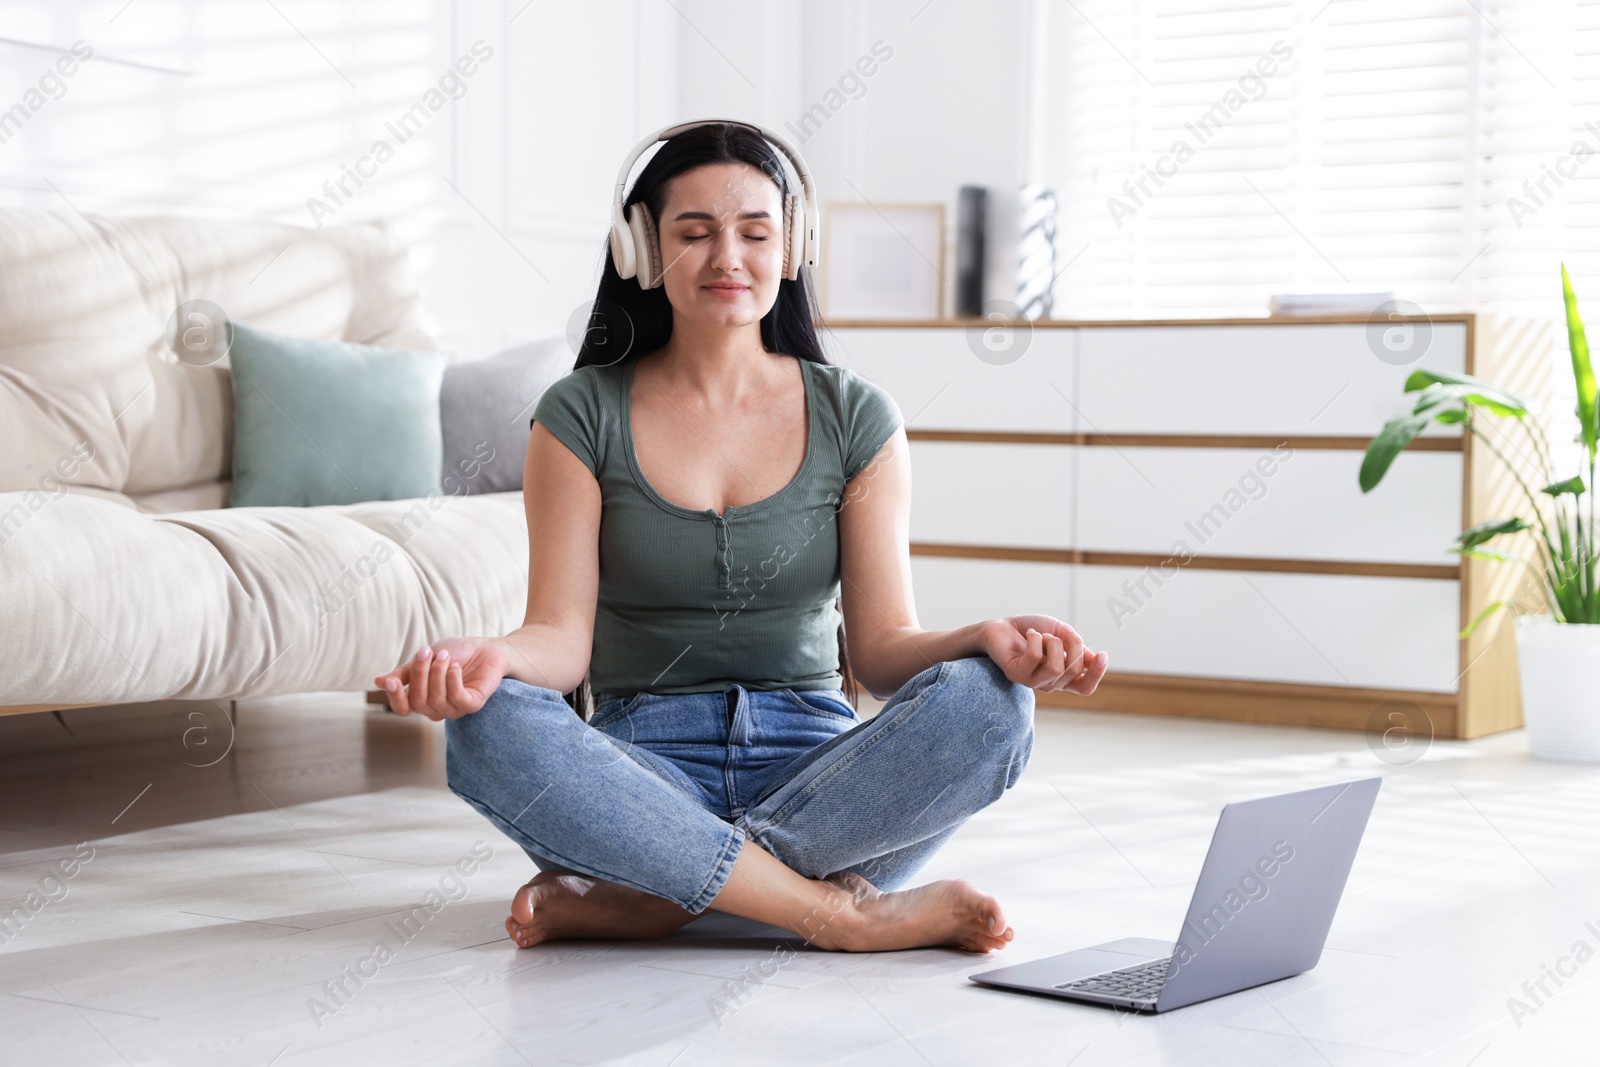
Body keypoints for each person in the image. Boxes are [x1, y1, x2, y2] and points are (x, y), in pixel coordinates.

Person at [373, 121, 1108, 954]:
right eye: (695, 233)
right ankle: (827, 909)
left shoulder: (856, 416)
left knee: (992, 704)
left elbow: (881, 650)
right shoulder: (579, 413)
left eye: (756, 232)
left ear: (793, 247)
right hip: (641, 773)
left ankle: (660, 894)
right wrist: (493, 660)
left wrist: (985, 638)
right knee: (487, 724)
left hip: (821, 773)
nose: (729, 257)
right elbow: (561, 641)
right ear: (640, 250)